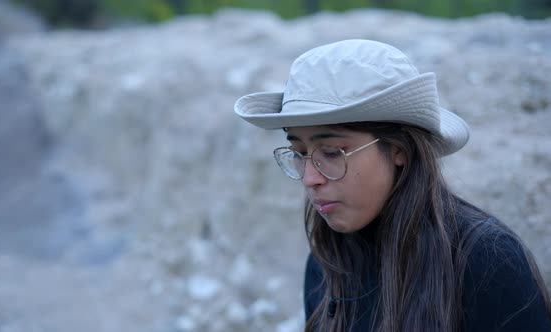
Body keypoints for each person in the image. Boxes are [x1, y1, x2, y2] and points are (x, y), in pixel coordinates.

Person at [233, 39, 551, 331]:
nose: (309, 178)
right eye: (300, 154)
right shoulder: (325, 264)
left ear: (399, 150)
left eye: (331, 152)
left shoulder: (486, 261)